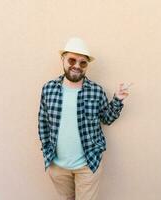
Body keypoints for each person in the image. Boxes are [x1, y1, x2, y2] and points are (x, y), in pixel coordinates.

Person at [38, 37, 129, 200]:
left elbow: (106, 118)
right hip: (57, 166)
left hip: (88, 164)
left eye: (83, 63)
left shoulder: (96, 90)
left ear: (87, 65)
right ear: (63, 59)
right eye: (72, 60)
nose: (76, 66)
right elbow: (43, 122)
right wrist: (47, 149)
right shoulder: (48, 89)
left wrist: (118, 100)